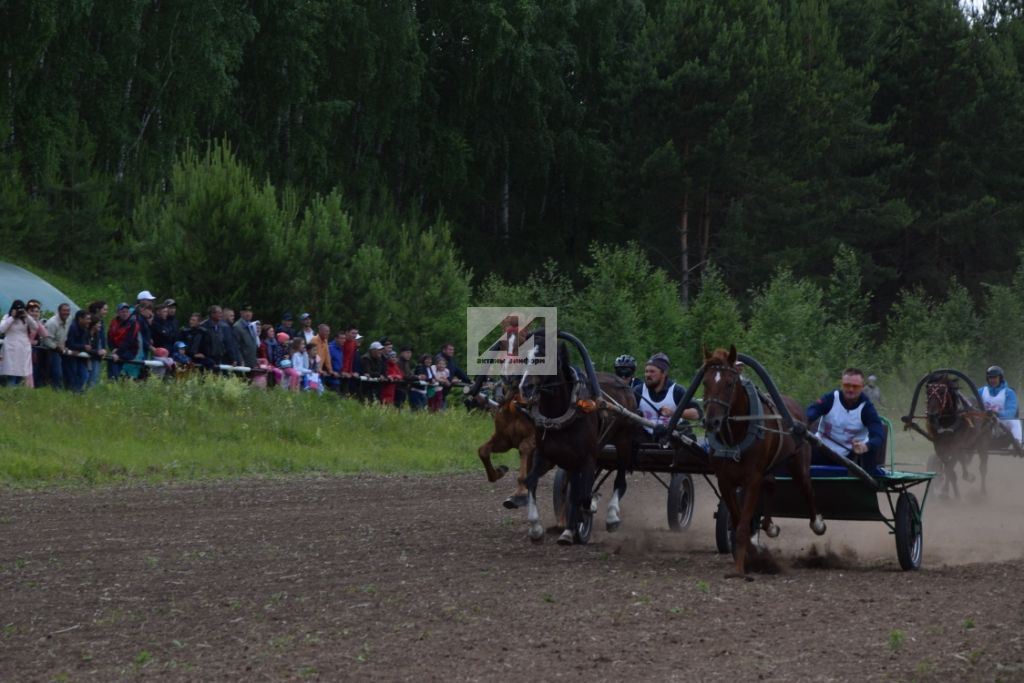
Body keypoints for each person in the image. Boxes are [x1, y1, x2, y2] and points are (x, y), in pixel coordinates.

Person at [806, 367, 886, 471]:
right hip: (820, 451)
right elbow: (811, 412)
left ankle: (867, 484)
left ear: (862, 387)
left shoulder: (867, 408)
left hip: (852, 457)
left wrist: (865, 446)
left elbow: (878, 436)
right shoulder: (830, 399)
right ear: (841, 385)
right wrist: (805, 421)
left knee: (870, 452)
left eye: (855, 387)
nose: (850, 389)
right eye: (847, 385)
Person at [634, 353, 700, 436]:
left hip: (671, 437)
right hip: (644, 438)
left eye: (652, 371)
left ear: (664, 373)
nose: (647, 375)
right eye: (646, 371)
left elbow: (697, 414)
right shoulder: (638, 390)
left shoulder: (677, 391)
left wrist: (674, 413)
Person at [0, 299, 42, 386]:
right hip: (10, 348)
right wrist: (12, 317)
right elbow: (2, 329)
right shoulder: (7, 317)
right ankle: (10, 393)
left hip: (23, 348)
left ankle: (18, 393)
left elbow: (35, 327)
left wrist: (27, 316)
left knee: (21, 374)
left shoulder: (26, 319)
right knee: (11, 373)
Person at [979, 365, 1021, 445]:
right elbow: (972, 403)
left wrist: (998, 413)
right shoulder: (981, 391)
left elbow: (1011, 411)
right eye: (990, 377)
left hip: (1002, 420)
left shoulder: (1009, 392)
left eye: (995, 377)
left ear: (1000, 378)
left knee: (1015, 421)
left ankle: (1017, 442)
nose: (992, 380)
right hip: (984, 421)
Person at [44, 302, 71, 389]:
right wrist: (56, 347)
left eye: (68, 310)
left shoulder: (68, 320)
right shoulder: (52, 323)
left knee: (65, 371)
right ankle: (55, 389)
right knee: (56, 372)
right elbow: (46, 339)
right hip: (51, 350)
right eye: (64, 310)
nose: (66, 312)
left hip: (62, 349)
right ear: (59, 311)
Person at [233, 304, 260, 370]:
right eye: (246, 312)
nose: (248, 314)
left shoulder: (252, 325)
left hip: (252, 363)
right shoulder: (237, 327)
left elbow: (253, 344)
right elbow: (236, 346)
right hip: (243, 364)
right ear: (241, 313)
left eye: (250, 312)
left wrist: (255, 359)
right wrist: (240, 360)